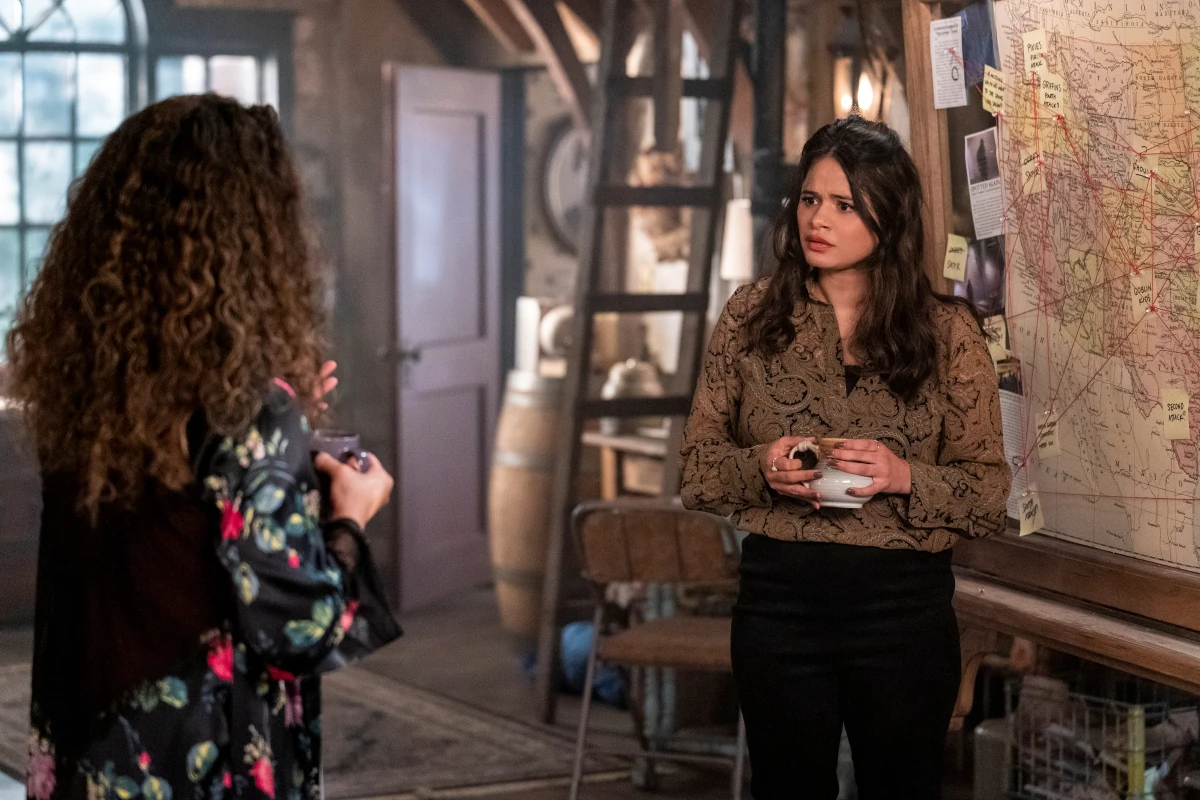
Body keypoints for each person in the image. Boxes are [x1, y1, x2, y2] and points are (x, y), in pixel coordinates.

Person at [6, 94, 401, 800]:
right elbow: (298, 626)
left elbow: (174, 530)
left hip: (97, 739)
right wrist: (351, 513)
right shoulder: (248, 409)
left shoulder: (90, 388)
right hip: (196, 753)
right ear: (254, 235)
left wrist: (281, 433)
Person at [679, 116, 1011, 798]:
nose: (817, 219)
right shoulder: (749, 318)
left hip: (903, 617)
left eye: (844, 205)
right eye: (809, 199)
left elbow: (987, 496)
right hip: (778, 611)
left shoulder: (948, 333)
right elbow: (697, 472)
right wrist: (760, 467)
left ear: (889, 218)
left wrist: (902, 475)